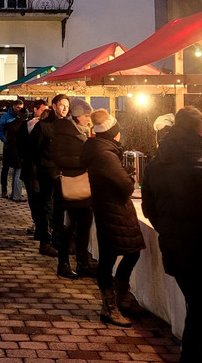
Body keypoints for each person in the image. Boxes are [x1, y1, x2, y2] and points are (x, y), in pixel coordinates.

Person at [141, 106, 202, 363]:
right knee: (201, 310)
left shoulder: (154, 166)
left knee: (195, 306)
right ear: (200, 130)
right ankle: (193, 356)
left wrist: (168, 230)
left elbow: (148, 208)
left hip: (175, 247)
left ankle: (193, 354)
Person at [83, 109, 145, 327]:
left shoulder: (102, 150)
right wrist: (129, 176)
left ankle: (119, 299)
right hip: (113, 210)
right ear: (112, 133)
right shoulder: (105, 155)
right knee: (113, 258)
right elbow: (126, 186)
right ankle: (111, 305)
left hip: (109, 209)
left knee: (130, 253)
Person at [51, 97, 95, 279]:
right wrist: (84, 161)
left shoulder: (82, 132)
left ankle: (83, 263)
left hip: (83, 185)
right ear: (77, 116)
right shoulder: (63, 132)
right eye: (86, 115)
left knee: (85, 224)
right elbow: (59, 158)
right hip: (69, 185)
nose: (88, 119)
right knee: (69, 227)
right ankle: (63, 263)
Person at [29, 94, 73, 258]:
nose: (64, 109)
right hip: (46, 173)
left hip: (63, 174)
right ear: (53, 106)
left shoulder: (69, 125)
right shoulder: (43, 126)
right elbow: (33, 149)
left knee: (59, 209)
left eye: (67, 106)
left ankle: (57, 241)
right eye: (62, 105)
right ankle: (45, 242)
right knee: (46, 208)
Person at [20, 99, 49, 236]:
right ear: (35, 110)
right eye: (42, 110)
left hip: (39, 169)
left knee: (39, 199)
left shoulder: (47, 127)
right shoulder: (27, 125)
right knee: (34, 198)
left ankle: (40, 224)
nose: (45, 113)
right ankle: (38, 223)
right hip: (31, 168)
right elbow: (20, 146)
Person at [0, 99, 26, 201]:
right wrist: (6, 141)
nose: (19, 110)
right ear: (14, 106)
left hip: (17, 148)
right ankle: (4, 190)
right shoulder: (6, 116)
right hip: (8, 147)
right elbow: (0, 130)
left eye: (21, 108)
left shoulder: (22, 116)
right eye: (17, 107)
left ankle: (15, 191)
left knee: (16, 169)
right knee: (5, 168)